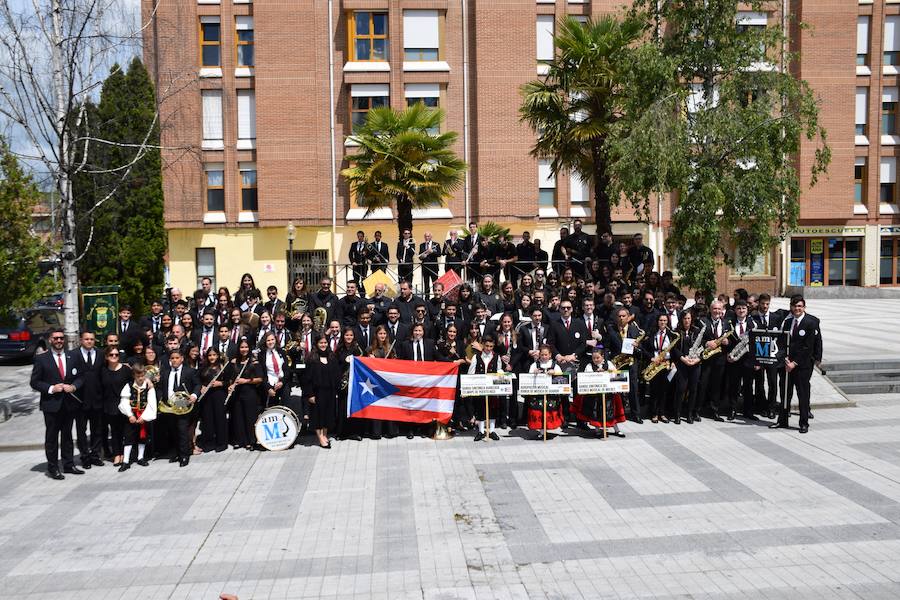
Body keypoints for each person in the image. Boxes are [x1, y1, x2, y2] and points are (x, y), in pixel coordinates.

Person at [30, 328, 83, 480]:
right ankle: (52, 467)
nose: (59, 341)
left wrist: (74, 387)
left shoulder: (72, 356)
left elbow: (80, 377)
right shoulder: (42, 359)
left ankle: (68, 464)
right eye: (56, 338)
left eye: (61, 338)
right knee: (52, 437)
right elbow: (34, 382)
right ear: (50, 340)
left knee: (67, 436)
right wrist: (52, 388)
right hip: (51, 405)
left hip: (69, 404)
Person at [770, 295, 822, 434]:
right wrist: (785, 360)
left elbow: (808, 347)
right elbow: (781, 343)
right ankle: (782, 421)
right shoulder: (787, 323)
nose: (797, 308)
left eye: (800, 306)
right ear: (791, 307)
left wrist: (795, 363)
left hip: (802, 366)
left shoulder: (810, 323)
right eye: (795, 306)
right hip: (787, 366)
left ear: (804, 307)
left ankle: (803, 423)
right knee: (785, 393)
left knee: (802, 395)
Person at [156, 348, 200, 467]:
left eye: (177, 358)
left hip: (183, 404)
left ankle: (184, 456)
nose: (174, 360)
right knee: (173, 431)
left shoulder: (190, 371)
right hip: (169, 406)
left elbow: (197, 385)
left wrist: (194, 395)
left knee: (182, 430)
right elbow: (160, 388)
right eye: (172, 358)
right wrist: (161, 399)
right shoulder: (165, 372)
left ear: (182, 359)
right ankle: (177, 453)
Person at [604, 307, 644, 423]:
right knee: (618, 389)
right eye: (619, 316)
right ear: (616, 318)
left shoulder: (635, 330)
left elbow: (641, 349)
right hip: (617, 364)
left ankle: (636, 414)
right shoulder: (611, 330)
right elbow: (606, 348)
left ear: (628, 317)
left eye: (624, 316)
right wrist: (608, 363)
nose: (621, 318)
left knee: (633, 389)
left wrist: (637, 348)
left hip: (631, 363)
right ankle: (619, 414)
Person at [578, 346, 626, 437]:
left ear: (603, 356)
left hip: (608, 395)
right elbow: (586, 378)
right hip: (595, 395)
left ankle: (616, 429)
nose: (595, 360)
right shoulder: (589, 366)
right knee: (596, 412)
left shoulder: (609, 364)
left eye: (597, 358)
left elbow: (617, 375)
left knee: (611, 412)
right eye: (593, 358)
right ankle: (597, 430)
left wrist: (606, 372)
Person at [225, 338, 264, 450]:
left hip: (250, 393)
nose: (244, 349)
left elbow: (260, 379)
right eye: (242, 347)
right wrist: (230, 385)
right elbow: (230, 379)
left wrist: (245, 381)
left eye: (246, 347)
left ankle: (251, 441)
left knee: (249, 418)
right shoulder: (233, 362)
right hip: (237, 394)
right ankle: (240, 440)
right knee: (238, 417)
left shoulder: (254, 362)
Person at [304, 335, 342, 448]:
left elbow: (336, 375)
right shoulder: (312, 359)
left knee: (328, 415)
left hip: (329, 392)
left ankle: (325, 435)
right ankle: (320, 437)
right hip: (317, 392)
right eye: (321, 343)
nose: (323, 345)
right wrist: (310, 394)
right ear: (316, 344)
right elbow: (307, 379)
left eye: (325, 342)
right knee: (317, 415)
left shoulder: (332, 357)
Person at [73, 330, 104, 469]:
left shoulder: (101, 354)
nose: (89, 341)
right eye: (86, 339)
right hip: (80, 401)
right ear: (81, 340)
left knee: (97, 429)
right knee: (81, 431)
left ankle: (95, 455)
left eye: (92, 339)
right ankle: (84, 456)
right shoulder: (73, 355)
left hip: (97, 399)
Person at [117, 364, 157, 472]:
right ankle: (126, 461)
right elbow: (124, 401)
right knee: (128, 437)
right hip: (132, 416)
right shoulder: (129, 386)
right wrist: (129, 414)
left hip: (143, 416)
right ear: (134, 375)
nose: (140, 378)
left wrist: (145, 417)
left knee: (142, 436)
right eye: (138, 376)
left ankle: (140, 457)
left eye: (142, 375)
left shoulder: (149, 387)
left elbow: (152, 403)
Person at [467, 334, 505, 441]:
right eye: (487, 346)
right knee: (480, 409)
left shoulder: (497, 357)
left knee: (493, 409)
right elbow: (471, 373)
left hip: (492, 388)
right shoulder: (476, 357)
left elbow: (498, 370)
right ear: (483, 345)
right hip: (480, 388)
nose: (488, 348)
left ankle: (492, 431)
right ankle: (481, 431)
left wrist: (501, 374)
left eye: (491, 346)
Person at [699, 300, 731, 422]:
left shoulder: (727, 323)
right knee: (703, 384)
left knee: (716, 386)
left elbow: (731, 341)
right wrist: (706, 343)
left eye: (719, 309)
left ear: (722, 310)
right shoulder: (703, 321)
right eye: (715, 309)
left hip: (720, 359)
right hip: (707, 358)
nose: (717, 311)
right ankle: (698, 409)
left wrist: (728, 342)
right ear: (710, 310)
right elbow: (697, 338)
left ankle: (714, 410)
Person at [642, 313, 677, 423]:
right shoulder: (652, 333)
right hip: (655, 364)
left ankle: (662, 413)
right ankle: (654, 413)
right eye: (661, 320)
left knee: (664, 391)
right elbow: (644, 348)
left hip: (666, 365)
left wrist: (673, 362)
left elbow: (674, 351)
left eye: (665, 321)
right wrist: (651, 358)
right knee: (654, 390)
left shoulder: (671, 335)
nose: (663, 323)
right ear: (657, 321)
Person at [100, 346, 132, 466]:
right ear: (106, 357)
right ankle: (116, 454)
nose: (114, 357)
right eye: (111, 355)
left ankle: (124, 454)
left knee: (125, 431)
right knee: (114, 431)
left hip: (123, 404)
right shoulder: (103, 370)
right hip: (109, 405)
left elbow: (133, 382)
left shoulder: (125, 369)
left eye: (116, 355)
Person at [365, 325, 398, 439]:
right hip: (375, 383)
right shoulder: (370, 349)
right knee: (377, 407)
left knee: (388, 406)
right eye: (380, 334)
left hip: (388, 382)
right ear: (376, 335)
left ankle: (391, 431)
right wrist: (370, 361)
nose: (382, 336)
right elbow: (365, 368)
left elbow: (396, 365)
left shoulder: (390, 348)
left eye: (384, 334)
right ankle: (376, 432)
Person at [725, 299, 756, 421]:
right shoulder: (729, 323)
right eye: (739, 308)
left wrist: (756, 361)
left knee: (748, 386)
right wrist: (728, 350)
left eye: (743, 308)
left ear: (747, 310)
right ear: (735, 310)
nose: (741, 310)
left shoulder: (753, 324)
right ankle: (732, 410)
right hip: (734, 360)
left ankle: (748, 411)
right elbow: (726, 340)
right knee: (734, 386)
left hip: (748, 360)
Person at [526, 344, 565, 438]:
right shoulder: (534, 365)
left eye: (546, 355)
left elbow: (562, 378)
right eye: (542, 355)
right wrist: (533, 373)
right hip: (538, 395)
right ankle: (542, 432)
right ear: (539, 355)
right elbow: (527, 378)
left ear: (550, 355)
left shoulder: (555, 366)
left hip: (551, 396)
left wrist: (555, 373)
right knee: (539, 412)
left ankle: (546, 430)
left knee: (548, 412)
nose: (544, 357)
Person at [672, 311, 703, 424]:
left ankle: (690, 414)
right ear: (681, 319)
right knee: (680, 389)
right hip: (682, 364)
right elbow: (674, 348)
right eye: (685, 318)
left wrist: (697, 359)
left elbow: (702, 347)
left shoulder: (697, 331)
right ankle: (677, 414)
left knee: (693, 390)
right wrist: (683, 358)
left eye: (689, 318)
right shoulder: (676, 332)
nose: (687, 320)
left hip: (695, 364)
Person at [335, 327, 364, 441]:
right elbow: (336, 365)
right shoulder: (339, 349)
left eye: (351, 335)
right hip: (343, 383)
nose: (349, 337)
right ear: (343, 336)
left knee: (353, 408)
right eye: (347, 335)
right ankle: (342, 433)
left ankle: (355, 432)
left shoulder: (357, 349)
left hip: (354, 383)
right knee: (342, 408)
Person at [199, 347, 229, 452]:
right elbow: (199, 381)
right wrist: (201, 387)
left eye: (214, 355)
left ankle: (221, 443)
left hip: (219, 395)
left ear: (218, 356)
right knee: (208, 419)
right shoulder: (203, 367)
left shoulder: (223, 367)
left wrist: (220, 383)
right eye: (210, 355)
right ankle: (209, 443)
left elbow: (229, 381)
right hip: (207, 397)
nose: (212, 357)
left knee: (220, 418)